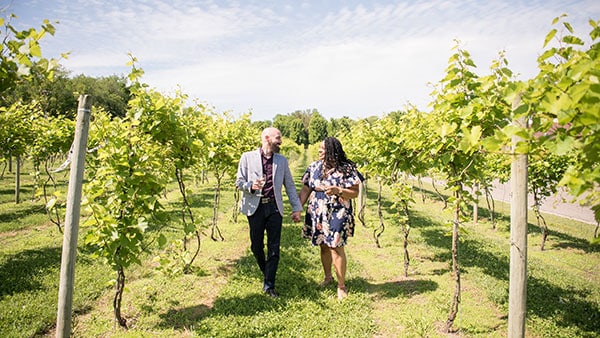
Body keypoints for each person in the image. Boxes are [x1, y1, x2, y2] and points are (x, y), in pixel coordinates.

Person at [235, 127, 303, 298]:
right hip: (255, 207)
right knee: (256, 246)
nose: (281, 141)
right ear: (267, 138)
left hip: (274, 208)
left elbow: (290, 185)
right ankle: (267, 272)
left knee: (274, 248)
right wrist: (250, 186)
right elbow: (239, 182)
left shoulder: (282, 160)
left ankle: (269, 285)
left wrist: (297, 208)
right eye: (278, 138)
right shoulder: (247, 157)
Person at [299, 137, 361, 300]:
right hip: (318, 210)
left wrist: (338, 190)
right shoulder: (313, 167)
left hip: (338, 210)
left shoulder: (346, 169)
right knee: (324, 245)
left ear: (333, 151)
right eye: (319, 148)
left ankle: (341, 286)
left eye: (323, 149)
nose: (319, 151)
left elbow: (355, 192)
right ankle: (328, 277)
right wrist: (298, 208)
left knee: (335, 245)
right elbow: (306, 189)